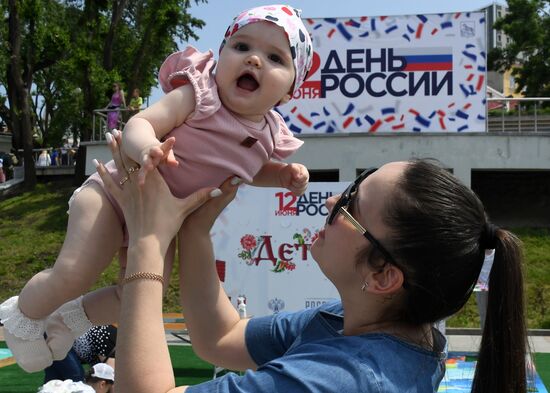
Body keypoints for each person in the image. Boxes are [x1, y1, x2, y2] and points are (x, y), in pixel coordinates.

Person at [0, 4, 312, 374]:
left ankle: (67, 321)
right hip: (114, 195)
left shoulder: (271, 136)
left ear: (291, 89)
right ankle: (21, 316)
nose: (255, 60)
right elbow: (141, 123)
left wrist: (280, 176)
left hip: (160, 226)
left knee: (139, 296)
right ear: (221, 54)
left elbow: (252, 170)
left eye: (274, 57)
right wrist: (147, 147)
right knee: (75, 272)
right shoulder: (201, 96)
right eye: (242, 47)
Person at [97, 136, 529, 392]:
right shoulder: (358, 323)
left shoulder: (338, 379)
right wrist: (195, 228)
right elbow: (220, 339)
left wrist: (148, 243)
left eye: (350, 204)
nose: (329, 201)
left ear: (383, 276)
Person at [44, 325, 117, 384]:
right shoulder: (110, 340)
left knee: (54, 382)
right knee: (78, 381)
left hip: (54, 333)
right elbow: (110, 377)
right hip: (59, 337)